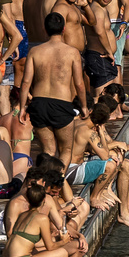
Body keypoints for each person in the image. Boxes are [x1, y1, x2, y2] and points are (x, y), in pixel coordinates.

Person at [19, 12, 87, 158]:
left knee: (48, 151)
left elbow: (25, 82)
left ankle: (47, 179)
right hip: (61, 104)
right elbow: (79, 84)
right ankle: (59, 179)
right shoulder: (72, 52)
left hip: (39, 104)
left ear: (45, 29)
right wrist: (84, 106)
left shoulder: (35, 51)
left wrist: (22, 107)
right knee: (66, 150)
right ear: (63, 29)